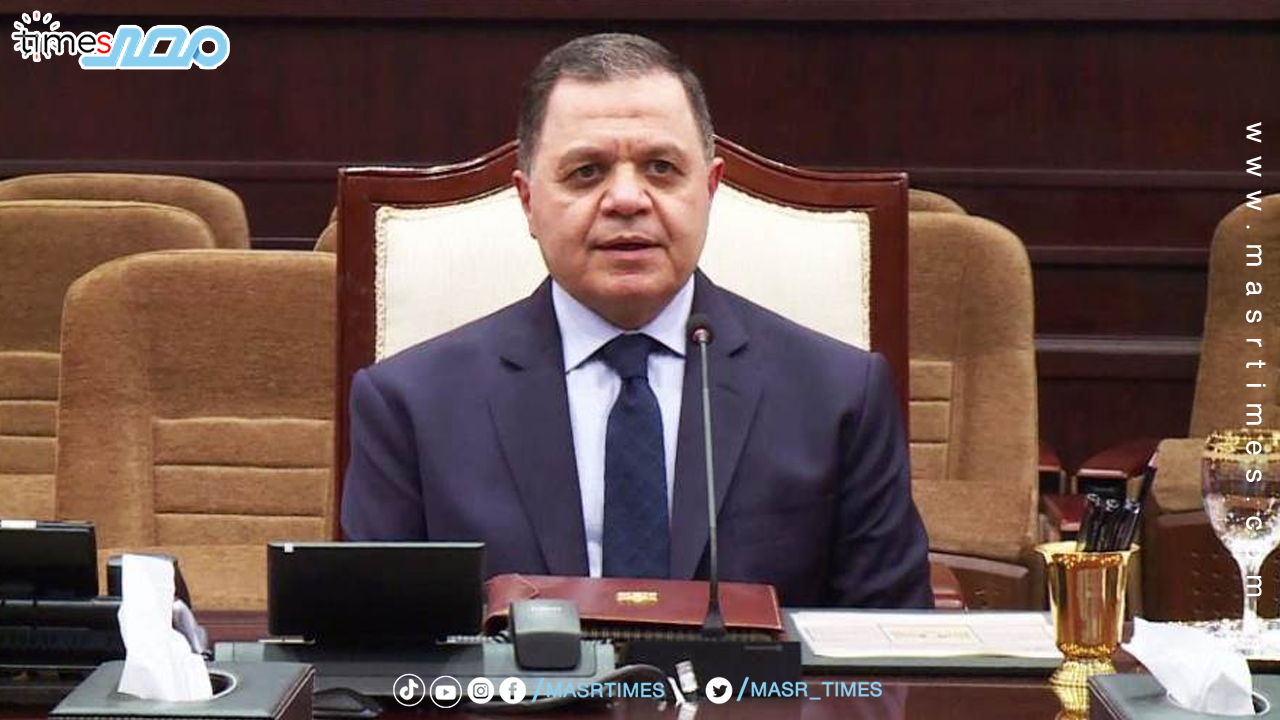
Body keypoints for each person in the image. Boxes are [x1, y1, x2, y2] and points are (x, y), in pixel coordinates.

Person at [340, 33, 932, 608]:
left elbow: (890, 646)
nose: (627, 199)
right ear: (527, 201)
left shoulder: (840, 395)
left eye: (661, 168)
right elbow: (377, 646)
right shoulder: (410, 405)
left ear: (710, 189)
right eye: (586, 172)